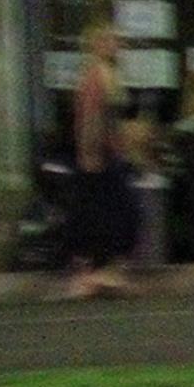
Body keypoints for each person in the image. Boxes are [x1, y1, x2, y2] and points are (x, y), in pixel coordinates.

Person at [64, 20, 135, 298]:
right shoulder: (96, 76)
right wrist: (88, 152)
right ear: (95, 44)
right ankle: (96, 271)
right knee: (116, 212)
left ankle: (101, 270)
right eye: (109, 39)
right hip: (101, 154)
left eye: (116, 40)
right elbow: (91, 118)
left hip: (110, 152)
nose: (115, 44)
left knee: (104, 212)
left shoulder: (107, 73)